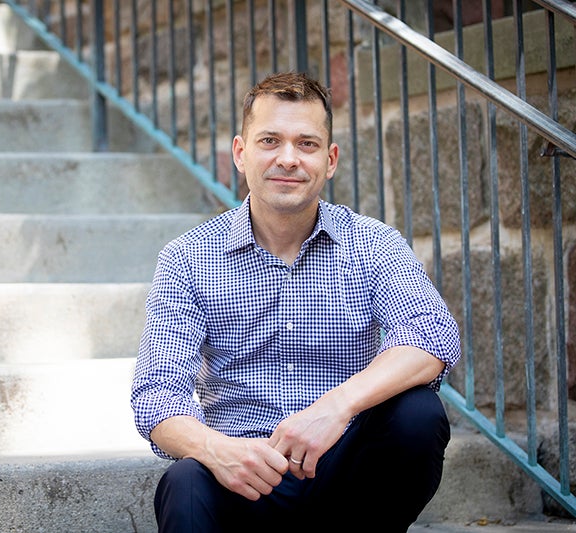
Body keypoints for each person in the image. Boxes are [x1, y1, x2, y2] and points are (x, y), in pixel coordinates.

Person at [130, 71, 461, 532]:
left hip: (345, 478)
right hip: (243, 480)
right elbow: (156, 398)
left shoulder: (372, 243)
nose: (288, 159)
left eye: (306, 144)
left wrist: (336, 407)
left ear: (330, 160)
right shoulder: (187, 258)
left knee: (418, 415)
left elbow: (433, 336)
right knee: (184, 481)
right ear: (241, 154)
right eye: (270, 141)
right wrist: (217, 452)